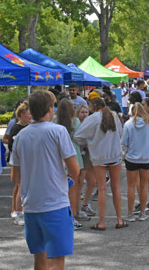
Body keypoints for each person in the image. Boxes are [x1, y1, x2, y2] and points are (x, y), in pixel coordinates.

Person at [11, 90, 79, 270]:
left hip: (31, 205)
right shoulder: (58, 131)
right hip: (55, 203)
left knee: (39, 260)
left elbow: (15, 177)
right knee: (57, 261)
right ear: (50, 109)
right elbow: (74, 169)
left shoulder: (21, 136)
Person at [75, 97, 125, 230]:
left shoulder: (93, 118)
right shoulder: (114, 115)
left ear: (94, 106)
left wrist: (88, 143)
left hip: (99, 155)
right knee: (116, 187)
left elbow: (78, 136)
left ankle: (101, 222)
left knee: (102, 188)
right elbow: (120, 133)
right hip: (115, 153)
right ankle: (119, 219)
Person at [55, 98, 86, 230]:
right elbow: (80, 138)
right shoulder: (75, 121)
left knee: (59, 189)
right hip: (73, 154)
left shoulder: (54, 121)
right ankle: (72, 218)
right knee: (73, 189)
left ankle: (59, 218)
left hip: (58, 156)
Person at [121, 102, 149, 222]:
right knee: (144, 185)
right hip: (146, 157)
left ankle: (130, 213)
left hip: (132, 158)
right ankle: (143, 212)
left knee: (131, 186)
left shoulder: (128, 124)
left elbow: (124, 142)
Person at [7, 101, 31, 225]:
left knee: (19, 185)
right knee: (20, 185)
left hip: (23, 159)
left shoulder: (28, 126)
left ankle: (15, 210)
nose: (30, 115)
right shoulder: (17, 128)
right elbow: (11, 145)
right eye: (28, 113)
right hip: (19, 160)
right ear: (21, 114)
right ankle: (18, 212)